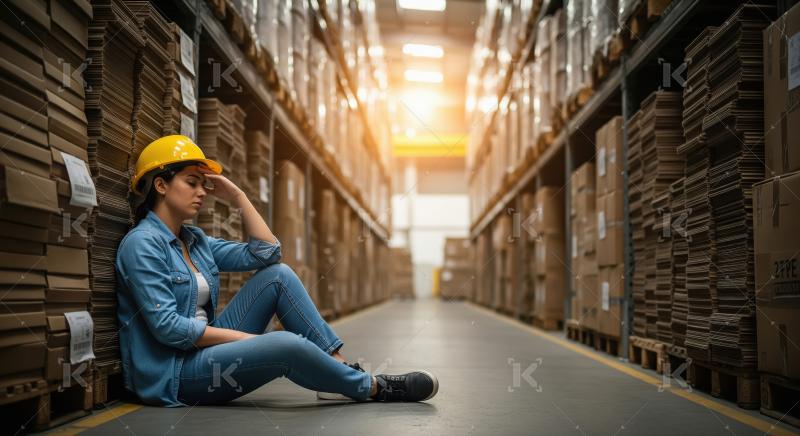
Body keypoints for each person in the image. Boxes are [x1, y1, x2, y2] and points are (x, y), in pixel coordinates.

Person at [115, 135, 438, 407]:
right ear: (160, 184)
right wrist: (246, 340)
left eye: (204, 184)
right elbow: (169, 328)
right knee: (284, 344)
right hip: (178, 374)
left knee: (279, 276)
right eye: (191, 182)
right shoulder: (142, 245)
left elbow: (267, 253)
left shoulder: (194, 240)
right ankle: (373, 387)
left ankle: (338, 371)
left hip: (208, 352)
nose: (202, 192)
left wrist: (239, 197)